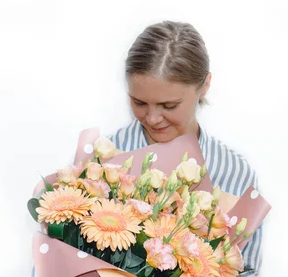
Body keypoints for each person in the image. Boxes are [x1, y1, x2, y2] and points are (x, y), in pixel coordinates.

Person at [109, 20, 263, 275]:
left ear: (204, 86)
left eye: (169, 106)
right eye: (139, 102)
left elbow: (247, 270)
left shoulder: (235, 172)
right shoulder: (104, 160)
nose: (153, 118)